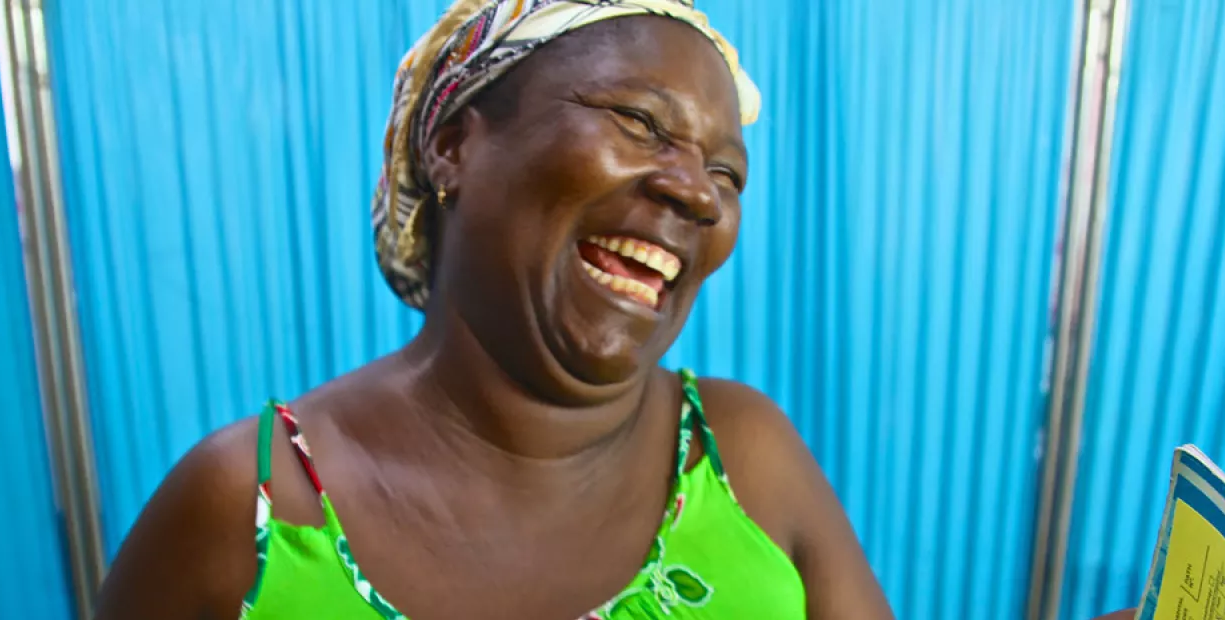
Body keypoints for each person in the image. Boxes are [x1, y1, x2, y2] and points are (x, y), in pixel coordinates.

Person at [94, 1, 893, 618]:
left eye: (727, 173)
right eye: (640, 122)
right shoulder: (246, 510)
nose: (697, 194)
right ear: (454, 145)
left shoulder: (742, 458)